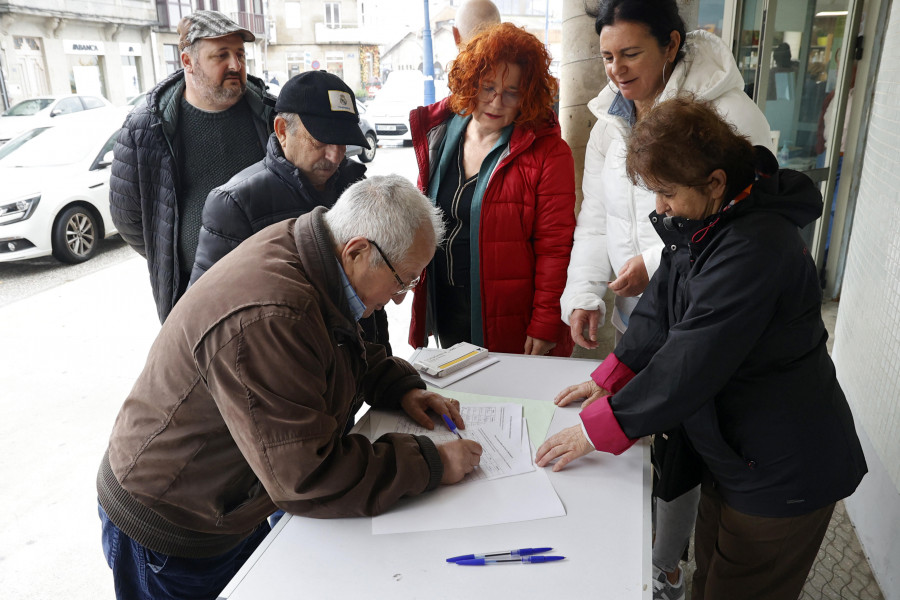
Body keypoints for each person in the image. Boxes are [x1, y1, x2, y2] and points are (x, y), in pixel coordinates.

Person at [536, 96, 867, 600]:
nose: (659, 208)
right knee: (711, 572)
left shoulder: (755, 247)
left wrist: (601, 426)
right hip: (735, 446)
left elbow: (690, 359)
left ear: (715, 181)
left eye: (667, 193)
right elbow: (662, 303)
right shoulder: (711, 219)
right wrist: (609, 376)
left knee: (744, 583)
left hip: (783, 462)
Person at [96, 175, 483, 600]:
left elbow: (333, 343)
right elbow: (307, 475)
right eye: (403, 281)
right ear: (357, 250)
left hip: (233, 496)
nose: (399, 298)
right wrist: (430, 464)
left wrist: (399, 388)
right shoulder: (272, 314)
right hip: (174, 523)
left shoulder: (315, 254)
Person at [558, 2, 772, 596]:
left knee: (685, 439)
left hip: (708, 322)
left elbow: (729, 232)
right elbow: (598, 218)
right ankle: (654, 556)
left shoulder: (728, 119)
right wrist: (587, 296)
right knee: (654, 445)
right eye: (606, 57)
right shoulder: (609, 122)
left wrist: (651, 263)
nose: (617, 71)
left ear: (672, 44)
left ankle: (664, 565)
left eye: (631, 54)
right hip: (645, 318)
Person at [188, 71, 390, 350]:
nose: (335, 156)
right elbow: (204, 312)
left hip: (354, 368)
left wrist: (385, 375)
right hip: (279, 371)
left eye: (342, 142)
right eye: (321, 141)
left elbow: (372, 306)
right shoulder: (235, 203)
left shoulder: (354, 185)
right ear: (282, 130)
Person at [408, 22, 576, 357]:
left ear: (527, 96)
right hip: (446, 304)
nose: (496, 102)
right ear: (471, 83)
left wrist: (545, 323)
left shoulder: (549, 154)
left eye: (512, 91)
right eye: (487, 87)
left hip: (512, 318)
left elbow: (556, 249)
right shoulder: (440, 134)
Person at [109, 10, 276, 324]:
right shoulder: (147, 127)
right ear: (187, 62)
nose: (235, 65)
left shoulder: (270, 115)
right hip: (192, 292)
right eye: (221, 55)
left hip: (269, 283)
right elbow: (129, 217)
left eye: (240, 54)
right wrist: (177, 254)